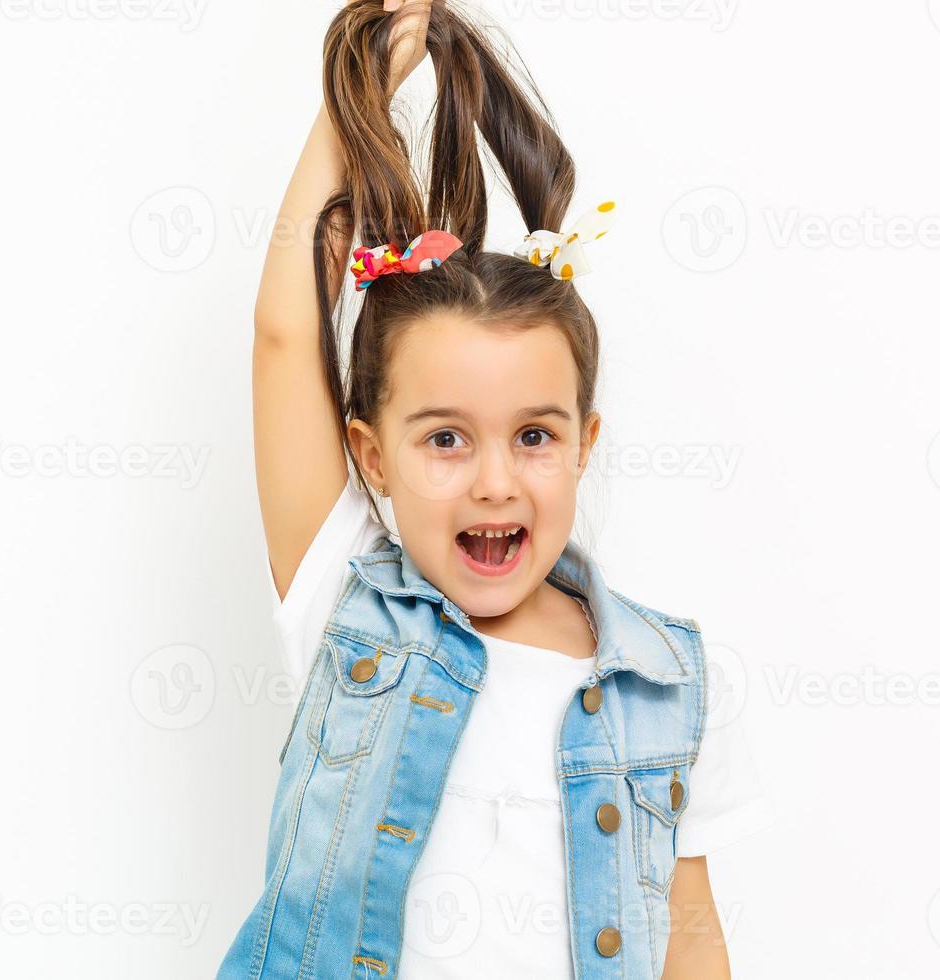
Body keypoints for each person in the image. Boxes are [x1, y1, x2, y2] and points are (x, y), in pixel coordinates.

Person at [218, 2, 775, 978]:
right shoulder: (350, 603)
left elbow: (692, 940)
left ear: (585, 441)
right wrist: (354, 109)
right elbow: (280, 334)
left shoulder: (668, 681)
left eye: (533, 435)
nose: (494, 481)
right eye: (444, 438)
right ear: (370, 453)